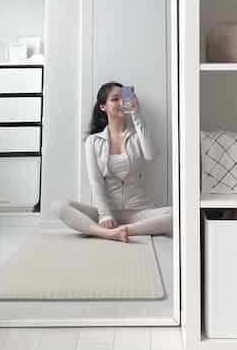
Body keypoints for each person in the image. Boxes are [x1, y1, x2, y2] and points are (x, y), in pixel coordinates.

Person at [52, 82, 172, 242]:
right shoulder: (93, 141)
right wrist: (104, 215)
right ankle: (109, 233)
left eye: (124, 98)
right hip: (107, 213)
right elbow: (96, 182)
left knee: (178, 214)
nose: (121, 103)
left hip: (139, 211)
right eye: (115, 99)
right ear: (103, 106)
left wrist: (136, 113)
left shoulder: (137, 137)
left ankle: (122, 231)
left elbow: (150, 155)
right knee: (58, 205)